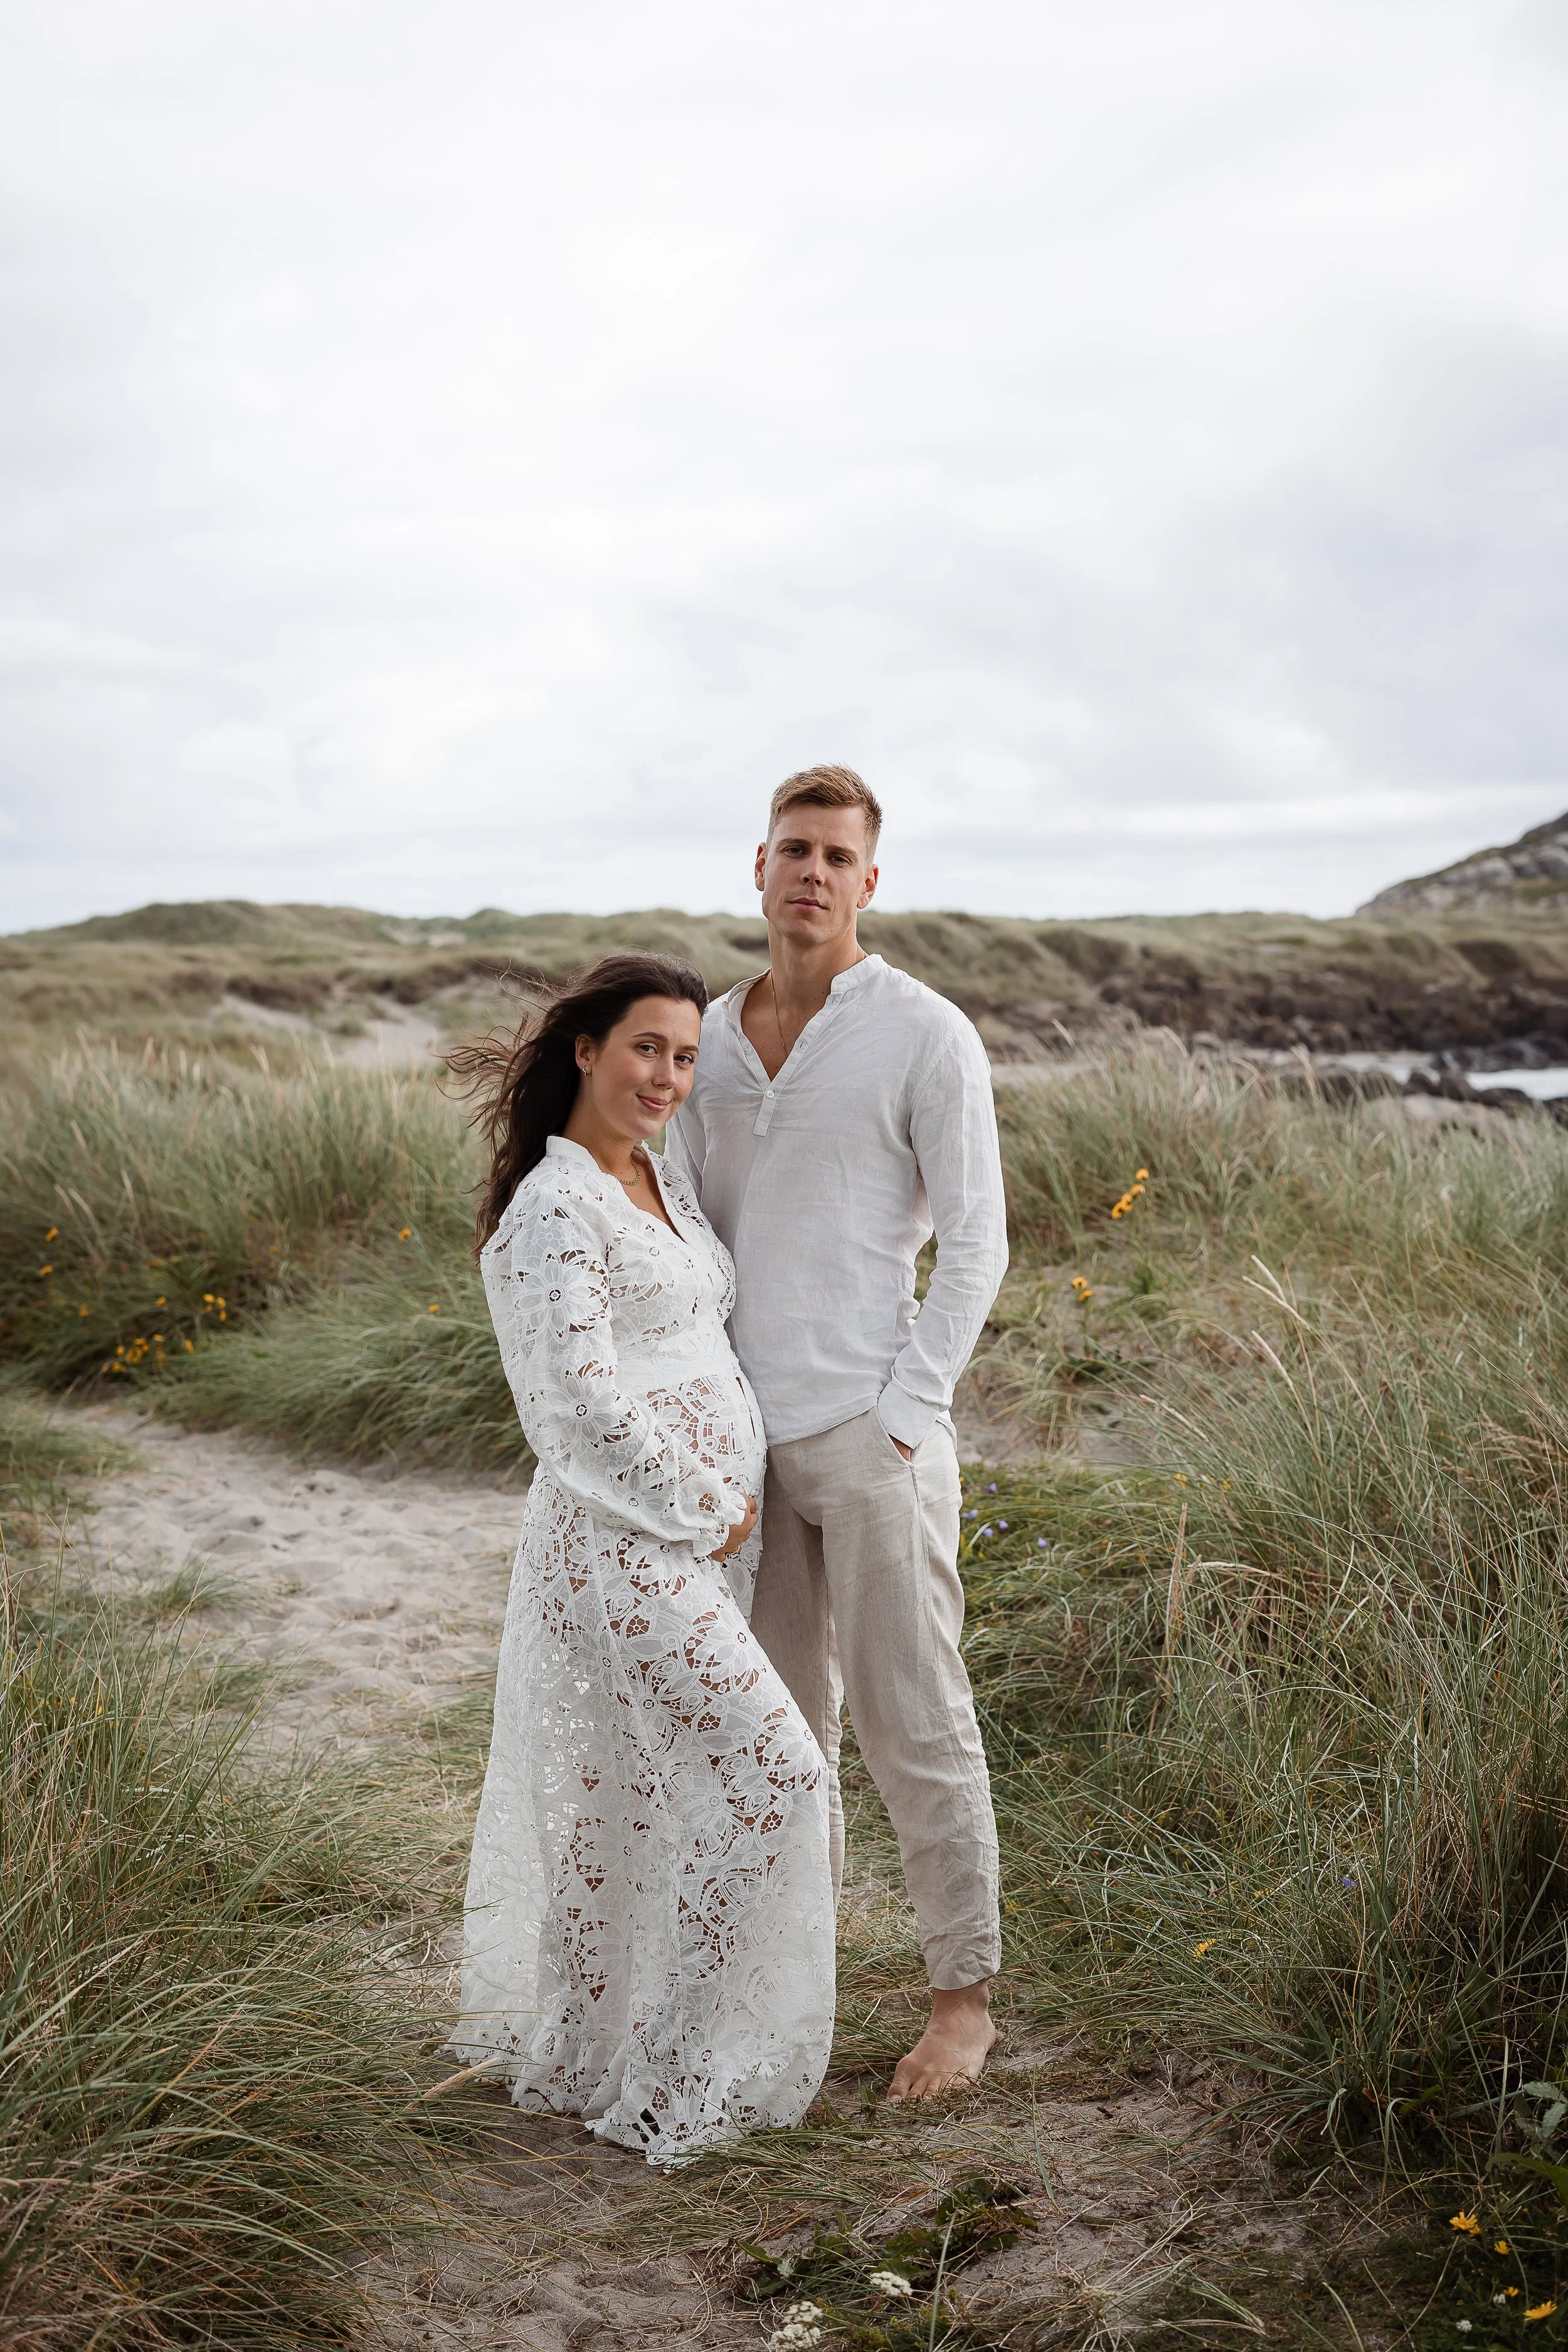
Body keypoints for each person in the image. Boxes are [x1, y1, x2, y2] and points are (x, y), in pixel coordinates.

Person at [445, 953, 834, 2164]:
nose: (667, 1073)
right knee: (779, 1776)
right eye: (644, 1049)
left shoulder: (654, 1177)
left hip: (684, 1545)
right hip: (627, 1547)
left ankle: (611, 2050)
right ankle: (673, 2077)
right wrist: (702, 1501)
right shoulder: (554, 1208)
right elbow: (572, 1402)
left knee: (643, 1804)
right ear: (585, 1050)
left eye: (682, 1054)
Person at [666, 766, 1010, 2100]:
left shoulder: (924, 1032)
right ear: (754, 868)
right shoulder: (701, 1034)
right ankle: (784, 1992)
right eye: (791, 851)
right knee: (771, 1734)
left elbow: (976, 1243)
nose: (810, 874)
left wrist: (911, 1412)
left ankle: (959, 1999)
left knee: (911, 1719)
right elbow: (688, 1227)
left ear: (870, 881)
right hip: (741, 1450)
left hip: (872, 1434)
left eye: (836, 857)